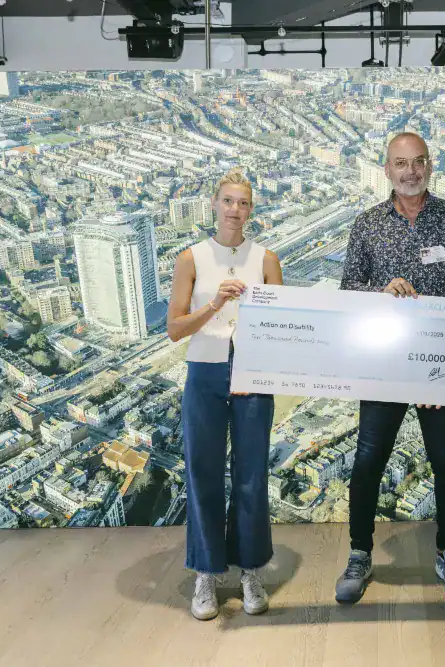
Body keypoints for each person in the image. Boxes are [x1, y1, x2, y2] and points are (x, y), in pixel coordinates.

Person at [335, 131, 445, 604]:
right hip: (383, 365)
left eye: (418, 162)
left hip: (437, 365)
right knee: (368, 461)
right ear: (387, 169)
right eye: (401, 163)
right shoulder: (367, 225)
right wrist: (379, 295)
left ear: (430, 166)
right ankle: (359, 552)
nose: (410, 171)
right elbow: (347, 294)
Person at [166, 168, 283, 621]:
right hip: (205, 371)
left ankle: (250, 569)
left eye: (245, 203)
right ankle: (206, 573)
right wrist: (214, 304)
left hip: (254, 373)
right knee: (203, 473)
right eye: (229, 201)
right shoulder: (190, 259)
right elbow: (175, 330)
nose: (236, 210)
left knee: (252, 475)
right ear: (214, 205)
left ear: (252, 210)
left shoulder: (267, 259)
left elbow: (284, 329)